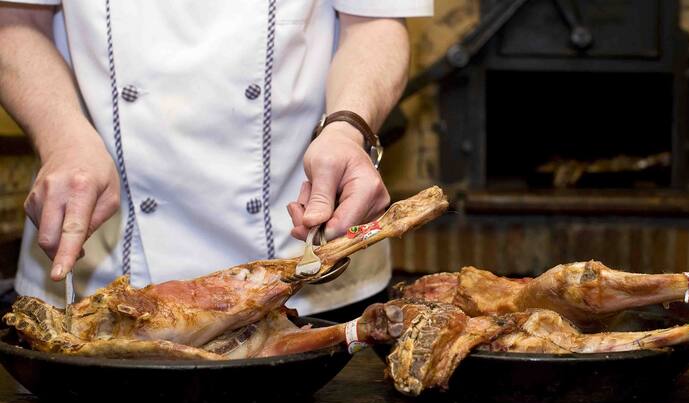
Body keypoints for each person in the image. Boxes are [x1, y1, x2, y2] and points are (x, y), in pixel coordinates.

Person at [0, 1, 433, 320]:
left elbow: (376, 22)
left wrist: (346, 128)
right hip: (104, 275)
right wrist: (62, 138)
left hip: (307, 275)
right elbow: (15, 20)